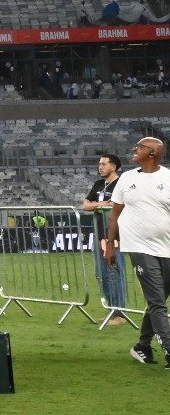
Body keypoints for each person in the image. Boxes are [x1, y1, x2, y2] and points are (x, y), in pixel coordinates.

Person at [106, 137, 170, 366]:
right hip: (138, 246)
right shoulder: (127, 178)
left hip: (166, 247)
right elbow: (115, 215)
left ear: (152, 153)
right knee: (157, 302)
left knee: (158, 301)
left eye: (140, 147)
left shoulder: (168, 178)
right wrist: (110, 244)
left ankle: (142, 347)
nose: (135, 149)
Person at [83, 153, 131, 325]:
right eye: (99, 164)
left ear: (114, 166)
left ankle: (120, 314)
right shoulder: (98, 184)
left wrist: (98, 205)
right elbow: (85, 205)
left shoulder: (121, 185)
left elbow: (120, 207)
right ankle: (112, 311)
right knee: (102, 274)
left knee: (115, 273)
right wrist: (102, 204)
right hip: (99, 235)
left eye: (104, 164)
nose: (100, 167)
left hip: (114, 237)